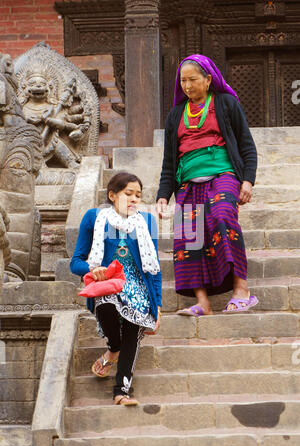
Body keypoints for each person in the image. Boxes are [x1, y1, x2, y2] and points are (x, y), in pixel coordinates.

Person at [156, 54, 258, 316]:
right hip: (188, 182)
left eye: (192, 79)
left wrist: (247, 180)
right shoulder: (176, 115)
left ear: (208, 79)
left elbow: (247, 145)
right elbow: (169, 161)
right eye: (183, 81)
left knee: (223, 217)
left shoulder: (225, 104)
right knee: (190, 237)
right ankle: (202, 302)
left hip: (223, 174)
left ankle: (242, 290)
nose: (187, 86)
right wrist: (163, 195)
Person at [70, 172, 162, 405]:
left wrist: (158, 304)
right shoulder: (94, 218)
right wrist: (93, 271)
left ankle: (121, 391)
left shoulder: (147, 221)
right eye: (128, 193)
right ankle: (113, 347)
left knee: (135, 326)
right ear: (112, 195)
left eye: (138, 195)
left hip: (139, 287)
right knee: (107, 300)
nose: (134, 199)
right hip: (108, 283)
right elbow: (76, 261)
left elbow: (154, 269)